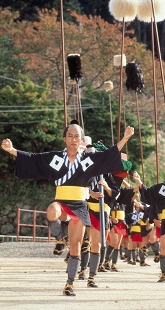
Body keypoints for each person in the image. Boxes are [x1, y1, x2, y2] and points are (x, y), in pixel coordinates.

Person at [1, 123, 134, 297]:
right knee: (51, 212)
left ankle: (70, 283)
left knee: (76, 247)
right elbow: (34, 158)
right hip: (62, 200)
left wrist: (124, 138)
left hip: (79, 204)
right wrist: (11, 150)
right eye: (70, 136)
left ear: (81, 140)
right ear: (65, 138)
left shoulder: (87, 160)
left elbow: (107, 156)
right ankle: (60, 238)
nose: (73, 139)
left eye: (77, 136)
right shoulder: (55, 157)